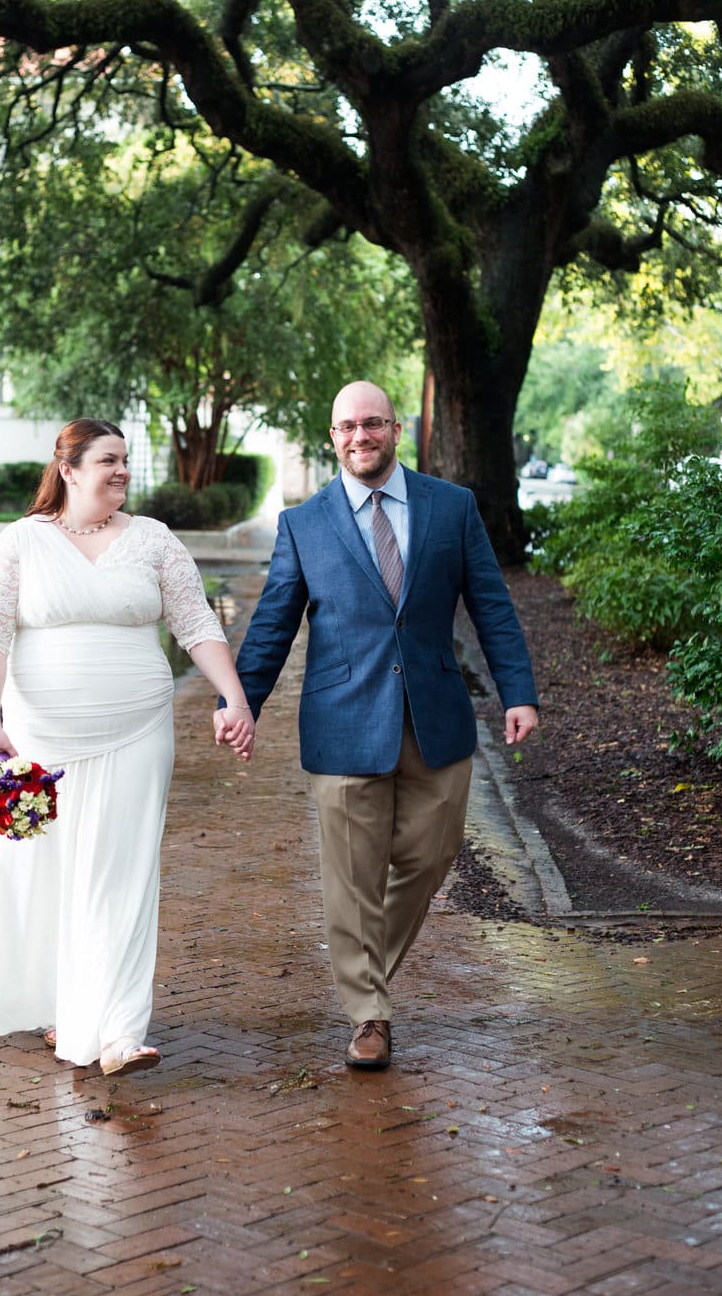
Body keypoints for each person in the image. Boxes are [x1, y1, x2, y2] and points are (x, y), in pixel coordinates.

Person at [215, 382, 538, 1071]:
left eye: (371, 424)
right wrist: (240, 703)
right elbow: (272, 623)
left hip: (437, 720)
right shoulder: (304, 523)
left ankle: (364, 971)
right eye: (345, 427)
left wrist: (519, 691)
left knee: (431, 856)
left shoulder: (452, 508)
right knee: (352, 881)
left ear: (395, 428)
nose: (359, 436)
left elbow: (491, 603)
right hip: (343, 721)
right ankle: (369, 1014)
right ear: (331, 437)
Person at [0, 418, 253, 1074]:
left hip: (139, 729)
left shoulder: (153, 541)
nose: (121, 471)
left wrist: (234, 696)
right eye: (107, 460)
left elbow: (197, 622)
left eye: (125, 460)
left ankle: (118, 1032)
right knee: (48, 871)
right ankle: (63, 1005)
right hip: (38, 739)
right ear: (69, 469)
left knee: (123, 873)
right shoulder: (21, 543)